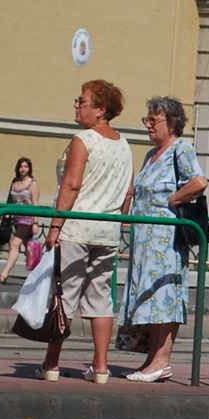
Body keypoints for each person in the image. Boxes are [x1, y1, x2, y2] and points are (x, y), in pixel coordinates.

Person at [40, 80, 134, 384]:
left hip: (77, 226)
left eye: (83, 101)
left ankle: (52, 363)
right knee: (101, 297)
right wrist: (121, 219)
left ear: (100, 110)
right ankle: (101, 367)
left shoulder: (84, 139)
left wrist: (56, 225)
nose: (77, 105)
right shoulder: (124, 143)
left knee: (66, 294)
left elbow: (72, 185)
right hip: (107, 231)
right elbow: (129, 192)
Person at [117, 97, 208, 383]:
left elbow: (199, 182)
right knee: (151, 297)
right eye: (146, 119)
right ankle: (152, 359)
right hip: (145, 243)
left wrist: (173, 200)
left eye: (152, 120)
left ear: (171, 123)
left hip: (166, 241)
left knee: (165, 297)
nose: (147, 124)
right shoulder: (152, 154)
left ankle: (162, 360)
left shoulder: (181, 148)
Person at [0, 157, 39, 284]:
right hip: (16, 219)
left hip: (28, 220)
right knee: (29, 249)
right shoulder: (14, 182)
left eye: (25, 166)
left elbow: (35, 204)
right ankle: (40, 274)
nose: (23, 169)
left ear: (29, 168)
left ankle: (4, 275)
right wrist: (3, 216)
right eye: (21, 166)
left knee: (14, 244)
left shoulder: (32, 183)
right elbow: (9, 200)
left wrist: (35, 222)